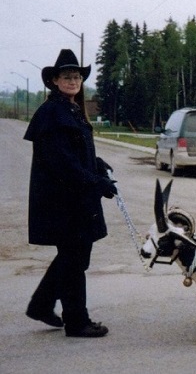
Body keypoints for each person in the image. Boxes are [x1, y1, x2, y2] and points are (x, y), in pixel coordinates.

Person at [23, 49, 117, 338]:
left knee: (73, 257)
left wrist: (97, 165)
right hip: (62, 203)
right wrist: (95, 182)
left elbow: (75, 153)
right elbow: (62, 163)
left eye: (76, 76)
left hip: (75, 200)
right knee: (74, 259)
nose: (73, 80)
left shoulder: (71, 109)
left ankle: (40, 305)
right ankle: (77, 321)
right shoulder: (52, 113)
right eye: (67, 76)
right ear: (55, 80)